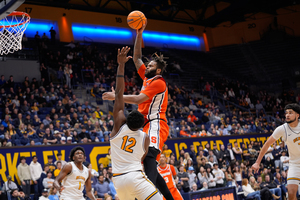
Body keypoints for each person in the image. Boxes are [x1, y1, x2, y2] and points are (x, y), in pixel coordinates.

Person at [103, 25, 173, 200]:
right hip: (145, 123)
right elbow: (136, 58)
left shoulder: (159, 82)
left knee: (149, 156)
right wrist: (139, 34)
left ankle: (146, 193)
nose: (146, 66)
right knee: (145, 161)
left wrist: (116, 96)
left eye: (150, 65)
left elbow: (137, 100)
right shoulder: (148, 77)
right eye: (147, 64)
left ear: (157, 70)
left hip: (156, 123)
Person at [108, 46, 162, 200]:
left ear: (127, 117)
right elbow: (144, 155)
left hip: (118, 180)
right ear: (141, 124)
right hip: (134, 176)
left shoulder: (118, 125)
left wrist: (121, 65)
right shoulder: (145, 137)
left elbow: (118, 93)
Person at [252, 104, 300, 200]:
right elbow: (266, 145)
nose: (287, 115)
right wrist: (257, 162)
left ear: (297, 115)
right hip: (295, 164)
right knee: (290, 194)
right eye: (286, 113)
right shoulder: (282, 129)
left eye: (290, 113)